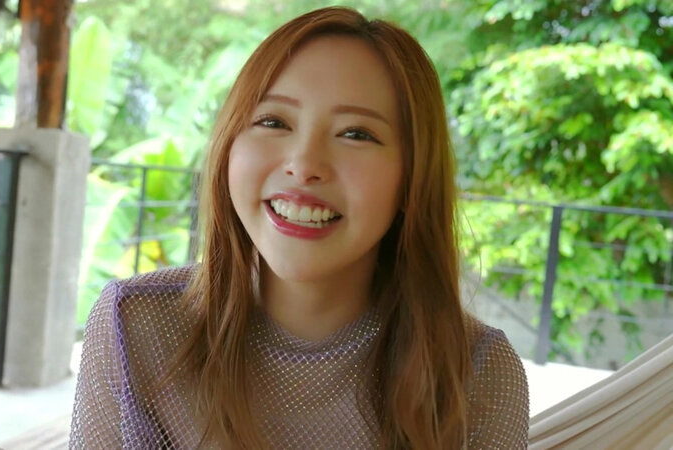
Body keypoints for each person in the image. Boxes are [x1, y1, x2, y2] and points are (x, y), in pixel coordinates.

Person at [70, 6, 529, 449]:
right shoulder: (136, 325)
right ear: (229, 146)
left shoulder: (478, 373)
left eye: (356, 133)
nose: (305, 165)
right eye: (273, 121)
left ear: (413, 178)